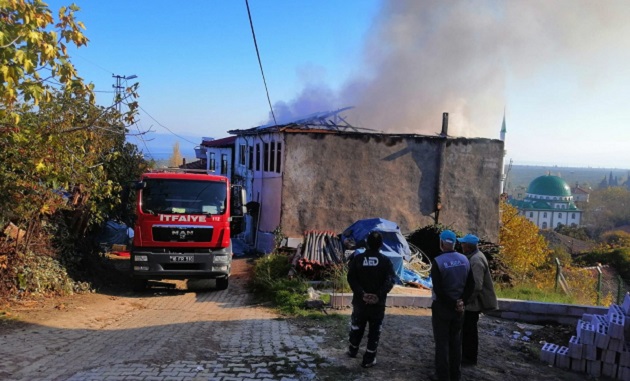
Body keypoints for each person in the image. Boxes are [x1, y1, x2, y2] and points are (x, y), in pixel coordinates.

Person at [346, 230, 397, 368]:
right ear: (381, 245)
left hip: (360, 303)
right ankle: (369, 359)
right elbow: (391, 280)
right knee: (374, 331)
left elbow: (351, 278)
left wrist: (362, 293)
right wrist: (378, 295)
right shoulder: (386, 261)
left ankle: (353, 350)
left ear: (367, 243)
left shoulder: (358, 259)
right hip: (377, 305)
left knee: (356, 327)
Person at [430, 230, 474, 381]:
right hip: (459, 310)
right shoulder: (465, 260)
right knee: (456, 342)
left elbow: (438, 289)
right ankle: (456, 375)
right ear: (455, 243)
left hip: (442, 308)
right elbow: (471, 285)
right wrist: (462, 301)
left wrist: (452, 302)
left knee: (441, 343)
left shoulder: (438, 262)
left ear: (441, 243)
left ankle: (442, 375)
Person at [458, 234, 498, 367]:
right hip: (472, 302)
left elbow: (476, 285)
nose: (461, 246)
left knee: (469, 332)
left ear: (468, 246)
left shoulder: (476, 260)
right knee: (468, 331)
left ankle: (469, 359)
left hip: (473, 304)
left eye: (463, 244)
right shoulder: (474, 257)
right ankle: (467, 357)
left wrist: (465, 301)